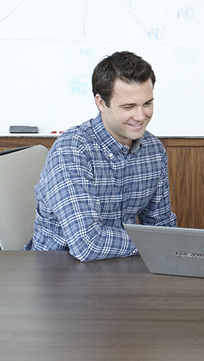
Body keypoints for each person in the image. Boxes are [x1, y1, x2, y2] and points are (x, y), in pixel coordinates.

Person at [24, 51, 176, 261]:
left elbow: (163, 228)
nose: (141, 116)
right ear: (101, 103)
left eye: (147, 103)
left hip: (118, 270)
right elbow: (88, 244)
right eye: (129, 107)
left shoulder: (154, 151)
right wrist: (154, 242)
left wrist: (166, 242)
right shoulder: (72, 150)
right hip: (57, 275)